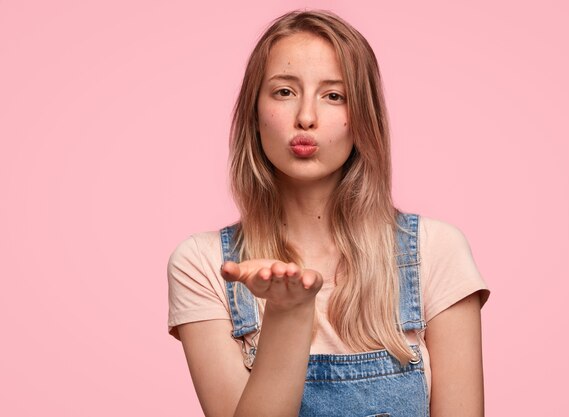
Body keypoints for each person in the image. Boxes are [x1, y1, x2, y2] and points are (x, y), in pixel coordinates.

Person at [167, 9, 490, 417]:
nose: (306, 116)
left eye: (334, 95)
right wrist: (289, 312)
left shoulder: (436, 251)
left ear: (363, 118)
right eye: (284, 92)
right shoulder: (203, 264)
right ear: (254, 112)